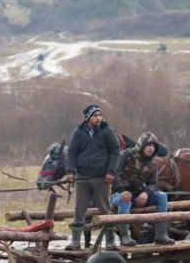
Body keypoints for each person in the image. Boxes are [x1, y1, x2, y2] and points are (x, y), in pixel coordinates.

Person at [61, 104, 122, 249]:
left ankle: (110, 241)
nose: (99, 118)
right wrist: (70, 172)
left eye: (100, 115)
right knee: (79, 210)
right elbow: (72, 152)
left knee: (105, 209)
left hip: (101, 178)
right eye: (95, 115)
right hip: (82, 178)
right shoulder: (79, 132)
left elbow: (115, 152)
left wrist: (110, 172)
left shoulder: (107, 131)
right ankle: (76, 241)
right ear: (88, 117)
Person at [112, 132, 174, 246]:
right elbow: (113, 174)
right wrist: (122, 190)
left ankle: (161, 234)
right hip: (117, 194)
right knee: (125, 199)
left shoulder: (153, 162)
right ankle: (125, 237)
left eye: (154, 146)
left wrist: (146, 193)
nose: (151, 148)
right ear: (141, 145)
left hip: (137, 195)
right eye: (148, 145)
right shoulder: (126, 155)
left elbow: (153, 183)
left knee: (162, 196)